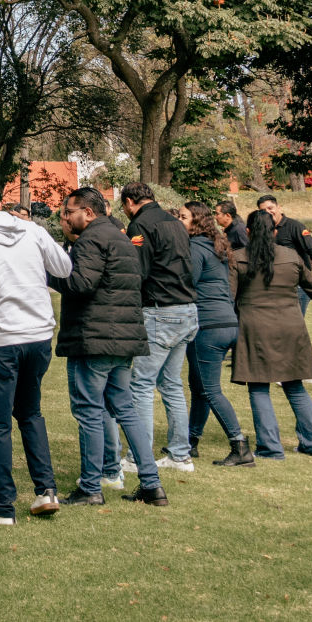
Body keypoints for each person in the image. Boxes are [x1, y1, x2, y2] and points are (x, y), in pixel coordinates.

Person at [0, 185, 73, 524]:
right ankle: (45, 490)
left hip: (0, 337)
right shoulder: (32, 229)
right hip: (38, 333)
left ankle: (2, 507)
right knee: (30, 413)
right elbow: (63, 267)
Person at [50, 187, 160, 506]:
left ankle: (90, 487)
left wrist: (48, 275)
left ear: (88, 212)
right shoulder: (120, 238)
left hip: (95, 338)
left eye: (69, 212)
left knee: (89, 411)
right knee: (125, 409)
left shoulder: (91, 240)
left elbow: (81, 283)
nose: (65, 219)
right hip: (122, 338)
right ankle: (151, 483)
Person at [233, 209, 312, 460]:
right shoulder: (291, 256)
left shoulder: (237, 258)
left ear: (248, 232)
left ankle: (270, 448)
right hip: (291, 326)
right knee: (295, 387)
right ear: (275, 232)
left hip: (254, 327)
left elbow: (229, 295)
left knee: (259, 388)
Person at [115, 183, 200, 475]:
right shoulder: (174, 222)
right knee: (172, 384)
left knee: (141, 384)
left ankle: (139, 457)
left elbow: (137, 270)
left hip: (160, 311)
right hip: (186, 308)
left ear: (129, 201)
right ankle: (180, 455)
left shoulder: (140, 223)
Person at [182, 202, 250, 466]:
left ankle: (240, 446)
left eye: (184, 217)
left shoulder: (196, 248)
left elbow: (189, 282)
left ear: (196, 221)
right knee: (199, 387)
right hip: (227, 321)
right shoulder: (216, 245)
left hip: (208, 326)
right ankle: (191, 441)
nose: (180, 220)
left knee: (209, 390)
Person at [258, 194, 312, 313]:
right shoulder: (262, 230)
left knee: (295, 322)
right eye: (263, 210)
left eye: (270, 208)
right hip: (275, 285)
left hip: (297, 285)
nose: (268, 212)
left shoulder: (294, 226)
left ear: (279, 208)